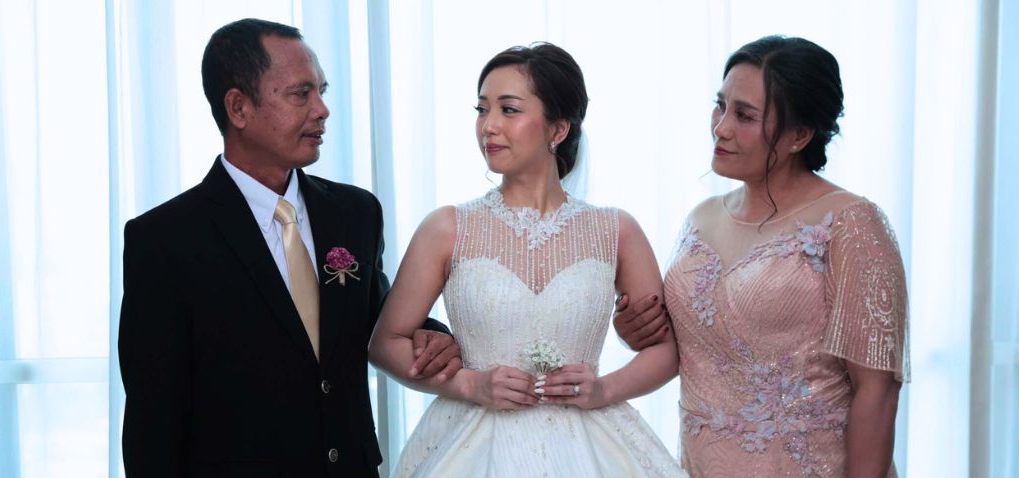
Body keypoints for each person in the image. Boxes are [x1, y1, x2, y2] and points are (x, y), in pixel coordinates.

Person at [118, 18, 462, 477]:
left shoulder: (355, 213)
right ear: (238, 107)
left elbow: (375, 315)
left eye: (322, 91)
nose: (322, 109)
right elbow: (153, 423)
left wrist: (431, 334)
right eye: (301, 94)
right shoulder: (164, 239)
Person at [368, 42, 686, 478]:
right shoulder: (447, 228)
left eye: (509, 110)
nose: (489, 126)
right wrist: (470, 384)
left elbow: (666, 350)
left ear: (558, 129)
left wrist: (603, 389)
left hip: (591, 443)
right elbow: (385, 343)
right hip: (470, 443)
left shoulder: (616, 231)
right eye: (482, 110)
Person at [622, 35, 910, 477]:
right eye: (720, 106)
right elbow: (696, 346)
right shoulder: (701, 218)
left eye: (744, 115)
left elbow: (878, 390)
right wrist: (635, 330)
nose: (721, 128)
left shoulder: (851, 222)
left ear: (799, 135)